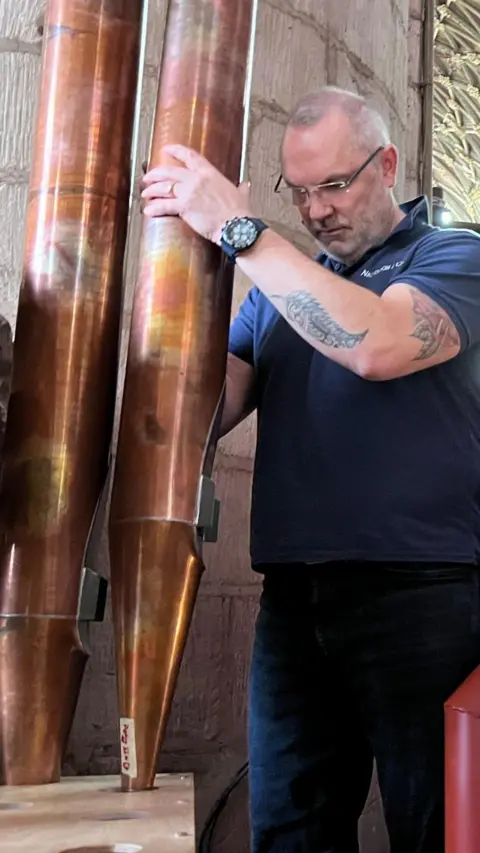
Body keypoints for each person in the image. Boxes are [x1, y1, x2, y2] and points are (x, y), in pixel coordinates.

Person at [141, 87, 480, 853]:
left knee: (439, 829)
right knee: (291, 832)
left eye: (334, 184)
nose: (316, 209)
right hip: (294, 602)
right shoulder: (277, 294)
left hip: (422, 595)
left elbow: (379, 344)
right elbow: (202, 415)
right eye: (298, 191)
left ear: (386, 165)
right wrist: (183, 269)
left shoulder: (453, 255)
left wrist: (241, 231)